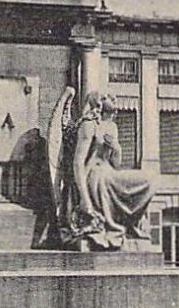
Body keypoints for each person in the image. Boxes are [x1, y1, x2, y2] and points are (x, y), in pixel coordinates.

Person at [59, 92, 154, 251]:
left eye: (112, 98)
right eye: (105, 97)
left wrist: (117, 149)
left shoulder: (112, 127)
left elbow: (116, 164)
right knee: (107, 181)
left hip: (109, 172)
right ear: (97, 103)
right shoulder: (88, 125)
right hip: (94, 177)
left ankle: (130, 224)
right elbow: (78, 163)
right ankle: (113, 226)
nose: (112, 99)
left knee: (150, 179)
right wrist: (85, 200)